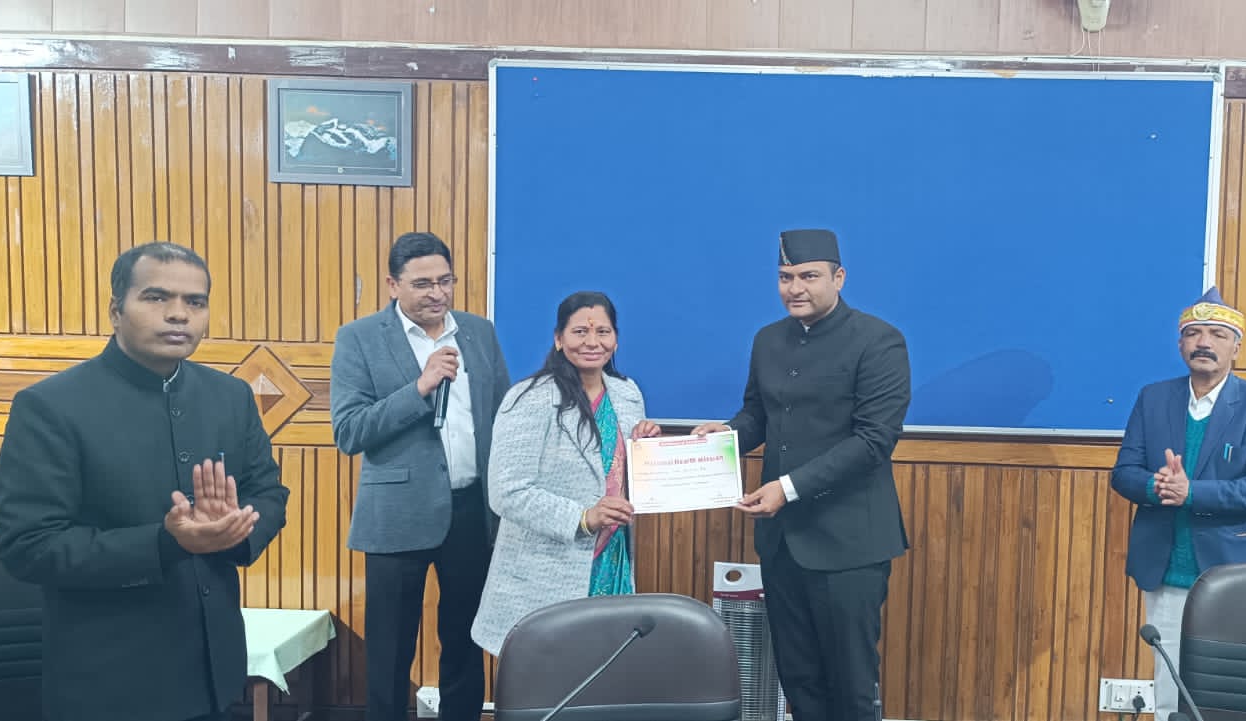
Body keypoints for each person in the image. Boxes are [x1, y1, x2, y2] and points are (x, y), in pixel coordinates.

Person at [0, 241, 291, 721]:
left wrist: (234, 530)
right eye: (156, 297)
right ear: (116, 310)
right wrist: (165, 543)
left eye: (195, 302)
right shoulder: (50, 407)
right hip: (107, 682)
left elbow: (269, 493)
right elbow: (28, 546)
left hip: (213, 674)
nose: (179, 314)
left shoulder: (230, 396)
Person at [692, 228, 911, 721]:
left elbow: (874, 441)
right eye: (785, 277)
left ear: (839, 277)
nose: (795, 288)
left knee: (851, 685)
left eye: (809, 276)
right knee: (799, 681)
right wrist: (724, 437)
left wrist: (787, 489)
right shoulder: (768, 340)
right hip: (782, 544)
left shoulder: (879, 341)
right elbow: (757, 416)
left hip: (849, 545)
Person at [330, 231, 510, 721]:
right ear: (393, 285)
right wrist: (420, 387)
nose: (437, 293)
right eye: (423, 284)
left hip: (472, 510)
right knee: (390, 648)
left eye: (445, 281)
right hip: (397, 515)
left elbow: (502, 415)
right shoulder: (359, 338)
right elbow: (349, 431)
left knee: (465, 640)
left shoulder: (479, 332)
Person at [1109, 287, 1246, 721]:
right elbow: (1124, 472)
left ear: (1236, 348)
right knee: (1170, 689)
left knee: (1233, 690)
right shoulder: (1153, 398)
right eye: (1193, 334)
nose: (1204, 343)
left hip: (1233, 574)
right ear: (1180, 345)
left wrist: (1191, 493)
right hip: (1167, 570)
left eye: (1217, 334)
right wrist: (1158, 486)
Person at [470, 291, 660, 653]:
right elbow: (507, 491)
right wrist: (583, 518)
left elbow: (618, 471)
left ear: (616, 339)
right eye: (580, 332)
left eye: (603, 332)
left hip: (612, 558)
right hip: (545, 571)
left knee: (607, 667)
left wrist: (645, 448)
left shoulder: (627, 394)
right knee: (551, 674)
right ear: (559, 339)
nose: (592, 342)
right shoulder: (529, 398)